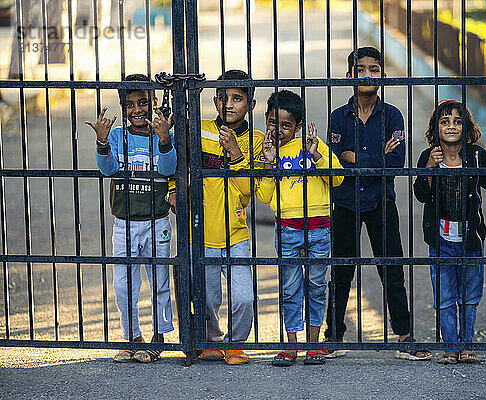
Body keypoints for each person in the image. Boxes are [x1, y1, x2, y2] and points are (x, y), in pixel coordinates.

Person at [324, 46, 431, 360]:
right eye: (360, 70)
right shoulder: (338, 117)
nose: (367, 74)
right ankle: (333, 337)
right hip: (345, 201)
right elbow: (336, 162)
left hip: (381, 201)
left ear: (383, 76)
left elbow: (395, 163)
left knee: (391, 267)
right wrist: (375, 160)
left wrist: (358, 158)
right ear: (349, 77)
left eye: (374, 69)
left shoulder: (393, 115)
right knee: (342, 269)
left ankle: (404, 336)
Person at [168, 69, 264, 365]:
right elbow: (178, 164)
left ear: (251, 104)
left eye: (238, 98)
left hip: (235, 232)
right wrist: (174, 189)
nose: (230, 105)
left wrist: (235, 153)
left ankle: (235, 344)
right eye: (223, 98)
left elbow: (252, 190)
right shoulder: (200, 129)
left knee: (244, 296)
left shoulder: (256, 141)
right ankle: (210, 339)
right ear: (214, 100)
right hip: (201, 229)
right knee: (206, 296)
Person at [86, 73, 176, 363]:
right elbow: (108, 169)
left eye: (143, 103)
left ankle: (158, 337)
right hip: (124, 222)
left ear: (154, 103)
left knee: (160, 280)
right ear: (123, 108)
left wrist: (163, 139)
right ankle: (132, 336)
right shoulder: (116, 136)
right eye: (130, 104)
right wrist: (101, 141)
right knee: (124, 283)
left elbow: (169, 167)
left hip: (157, 221)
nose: (137, 110)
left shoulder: (164, 135)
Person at [414, 100, 486, 364]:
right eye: (445, 122)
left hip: (470, 238)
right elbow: (421, 194)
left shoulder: (477, 156)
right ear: (436, 129)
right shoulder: (428, 156)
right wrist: (430, 169)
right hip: (440, 238)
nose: (451, 126)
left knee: (470, 296)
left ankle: (466, 345)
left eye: (457, 121)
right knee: (444, 297)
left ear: (466, 127)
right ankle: (451, 347)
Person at [256, 90, 344, 366]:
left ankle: (313, 344)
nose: (278, 130)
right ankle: (291, 344)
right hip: (288, 228)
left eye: (285, 125)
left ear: (298, 125)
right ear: (266, 120)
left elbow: (338, 178)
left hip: (319, 227)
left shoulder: (311, 145)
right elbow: (263, 196)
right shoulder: (266, 153)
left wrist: (316, 153)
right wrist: (269, 162)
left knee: (316, 285)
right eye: (273, 122)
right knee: (290, 287)